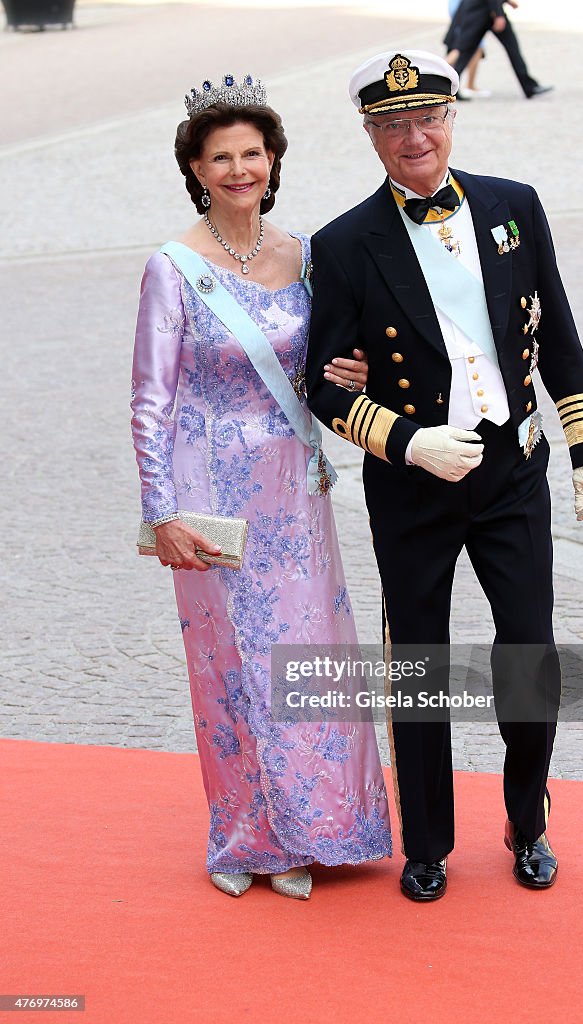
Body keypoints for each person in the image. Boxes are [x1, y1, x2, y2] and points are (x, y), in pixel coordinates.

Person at [305, 50, 583, 901]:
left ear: (452, 118)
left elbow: (557, 333)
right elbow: (321, 389)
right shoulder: (341, 245)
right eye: (393, 125)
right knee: (420, 668)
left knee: (529, 655)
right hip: (413, 489)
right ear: (369, 135)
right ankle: (428, 841)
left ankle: (527, 818)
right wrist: (406, 441)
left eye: (428, 118)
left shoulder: (514, 205)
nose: (415, 138)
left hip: (513, 469)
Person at [131, 73, 392, 901]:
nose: (240, 168)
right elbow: (149, 399)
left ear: (273, 161)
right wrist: (160, 513)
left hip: (294, 484)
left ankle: (323, 827)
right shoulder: (173, 267)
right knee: (229, 667)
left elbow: (330, 366)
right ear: (197, 170)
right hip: (211, 489)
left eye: (253, 153)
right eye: (222, 157)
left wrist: (348, 368)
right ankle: (248, 836)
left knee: (306, 661)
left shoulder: (310, 256)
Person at [447, 0, 552, 99]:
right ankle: (446, 86)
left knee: (512, 49)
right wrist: (499, 15)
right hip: (479, 12)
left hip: (484, 10)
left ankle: (529, 87)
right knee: (463, 51)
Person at [444, 0, 491, 99]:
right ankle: (436, 69)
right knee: (461, 47)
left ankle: (470, 84)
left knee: (475, 47)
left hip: (464, 6)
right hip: (467, 8)